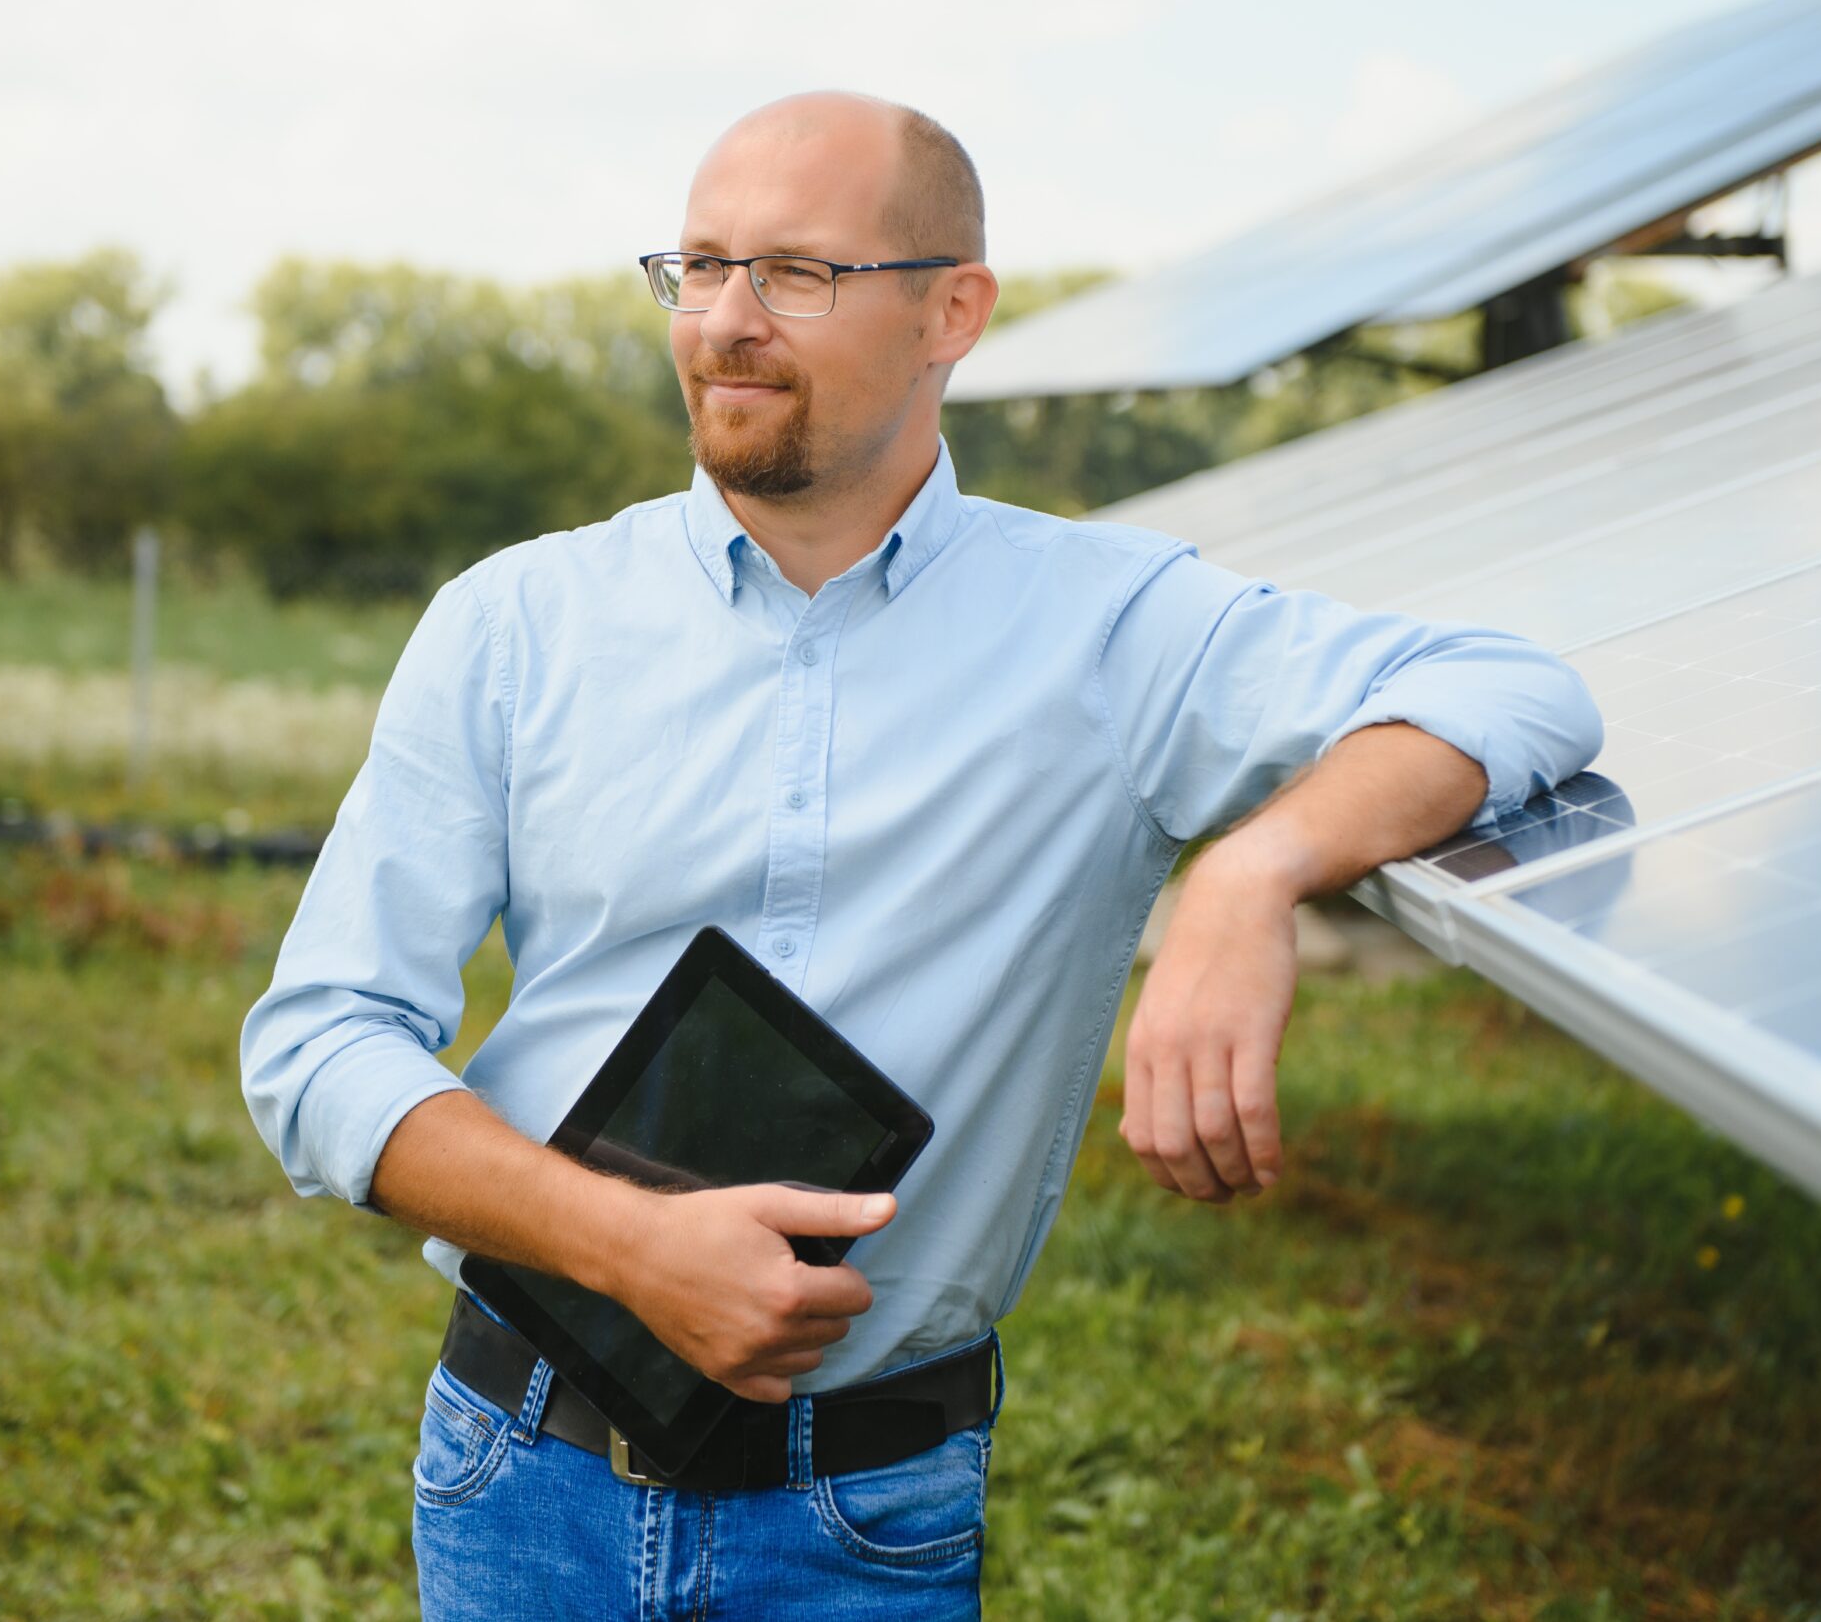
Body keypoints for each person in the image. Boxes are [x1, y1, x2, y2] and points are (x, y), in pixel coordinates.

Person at [239, 89, 1605, 1620]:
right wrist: (632, 1247)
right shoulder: (514, 623)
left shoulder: (1113, 626)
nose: (725, 322)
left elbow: (1516, 690)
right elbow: (319, 1047)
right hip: (519, 1481)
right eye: (696, 266)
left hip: (864, 1521)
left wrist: (1252, 871)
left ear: (952, 312)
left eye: (797, 272)